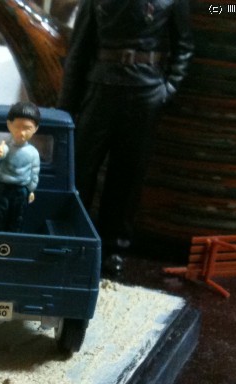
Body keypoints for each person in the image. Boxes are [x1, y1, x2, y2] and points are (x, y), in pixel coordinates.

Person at [57, 0, 194, 275]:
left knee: (128, 176)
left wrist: (167, 90)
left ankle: (113, 249)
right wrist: (65, 109)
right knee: (81, 168)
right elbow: (79, 50)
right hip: (100, 88)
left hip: (146, 92)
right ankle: (70, 238)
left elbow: (184, 47)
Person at [0, 102, 41, 232]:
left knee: (17, 217)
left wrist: (31, 190)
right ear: (9, 125)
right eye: (17, 127)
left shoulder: (33, 153)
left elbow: (34, 173)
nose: (22, 132)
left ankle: (12, 238)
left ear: (35, 129)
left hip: (21, 190)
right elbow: (3, 152)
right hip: (4, 187)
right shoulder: (6, 145)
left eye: (27, 128)